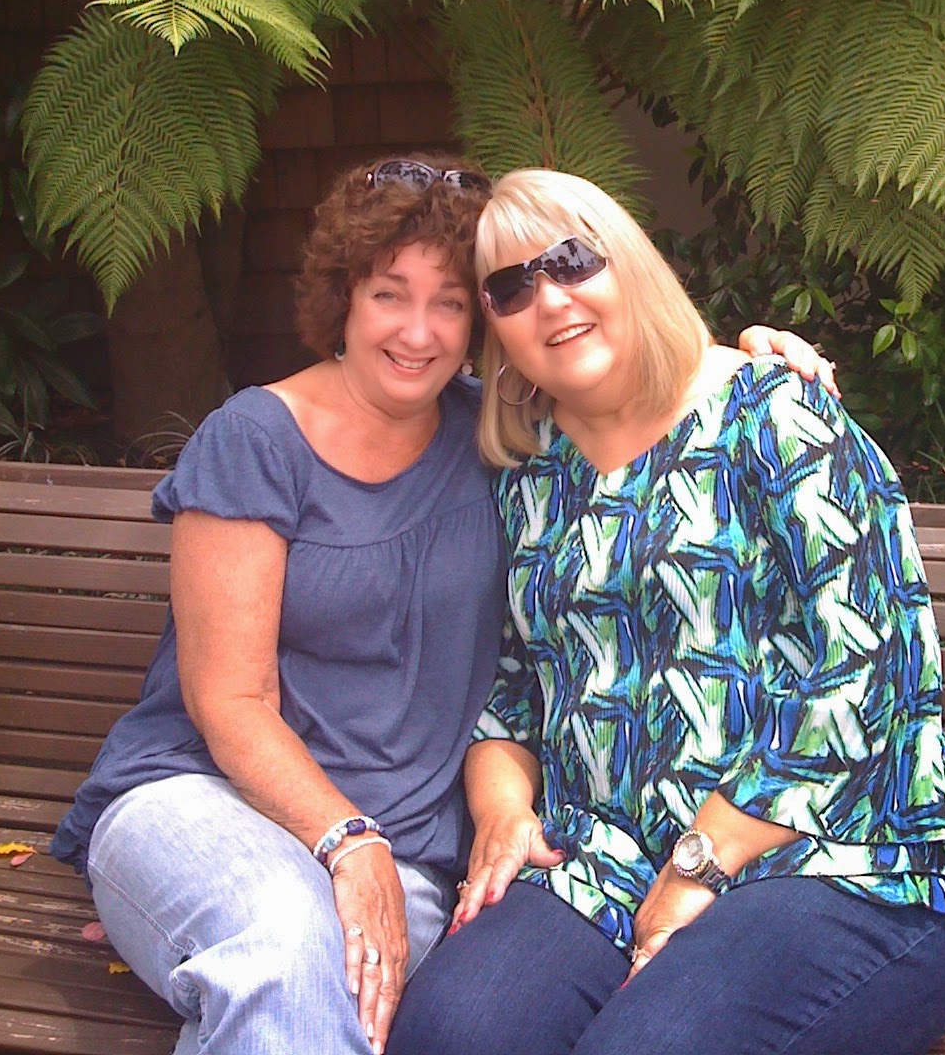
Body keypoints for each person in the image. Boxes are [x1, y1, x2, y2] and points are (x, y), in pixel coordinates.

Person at [49, 155, 830, 1055]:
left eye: (450, 303)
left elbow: (634, 376)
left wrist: (747, 357)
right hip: (211, 805)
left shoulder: (501, 435)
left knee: (331, 989)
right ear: (344, 297)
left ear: (481, 324)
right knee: (284, 949)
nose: (417, 332)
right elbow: (229, 700)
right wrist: (344, 843)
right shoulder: (256, 440)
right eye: (390, 294)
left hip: (410, 853)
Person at [389, 168, 945, 1055]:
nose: (549, 298)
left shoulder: (774, 415)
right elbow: (515, 689)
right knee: (449, 1035)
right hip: (608, 861)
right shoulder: (529, 477)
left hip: (844, 857)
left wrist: (698, 864)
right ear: (497, 331)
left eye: (571, 260)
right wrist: (503, 813)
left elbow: (875, 674)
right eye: (511, 287)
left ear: (629, 262)